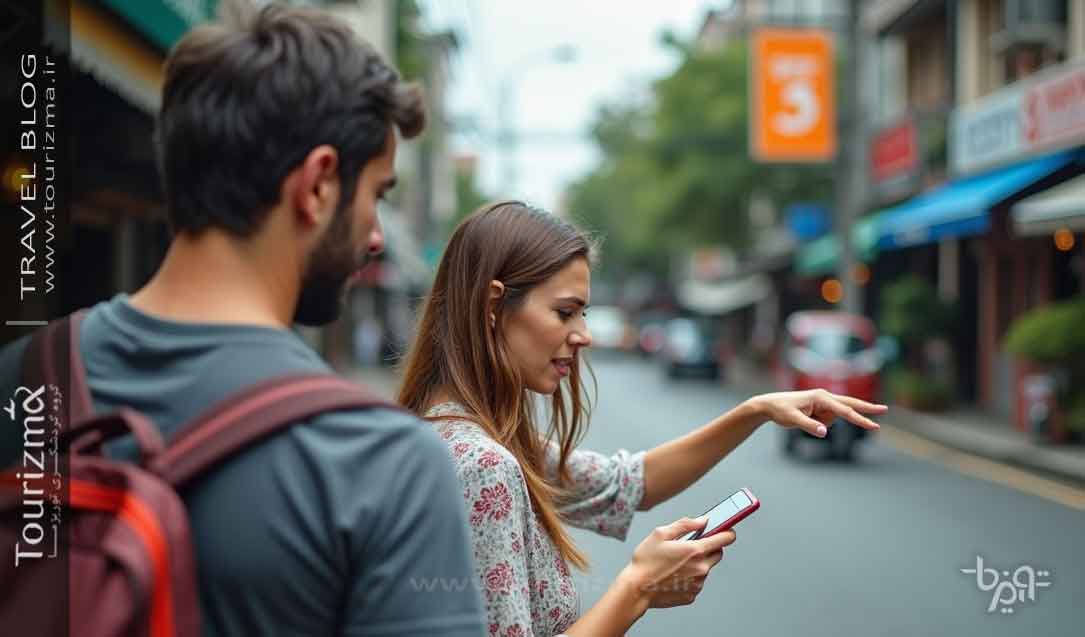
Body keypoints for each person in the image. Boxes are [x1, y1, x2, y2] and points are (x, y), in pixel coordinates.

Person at [0, 4, 485, 636]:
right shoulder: (384, 463)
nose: (374, 237)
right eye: (377, 194)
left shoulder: (20, 380)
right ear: (318, 185)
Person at [396, 201, 887, 637]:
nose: (583, 334)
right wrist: (639, 587)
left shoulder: (448, 436)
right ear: (493, 306)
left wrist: (753, 411)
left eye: (583, 314)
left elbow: (625, 484)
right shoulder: (485, 465)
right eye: (565, 312)